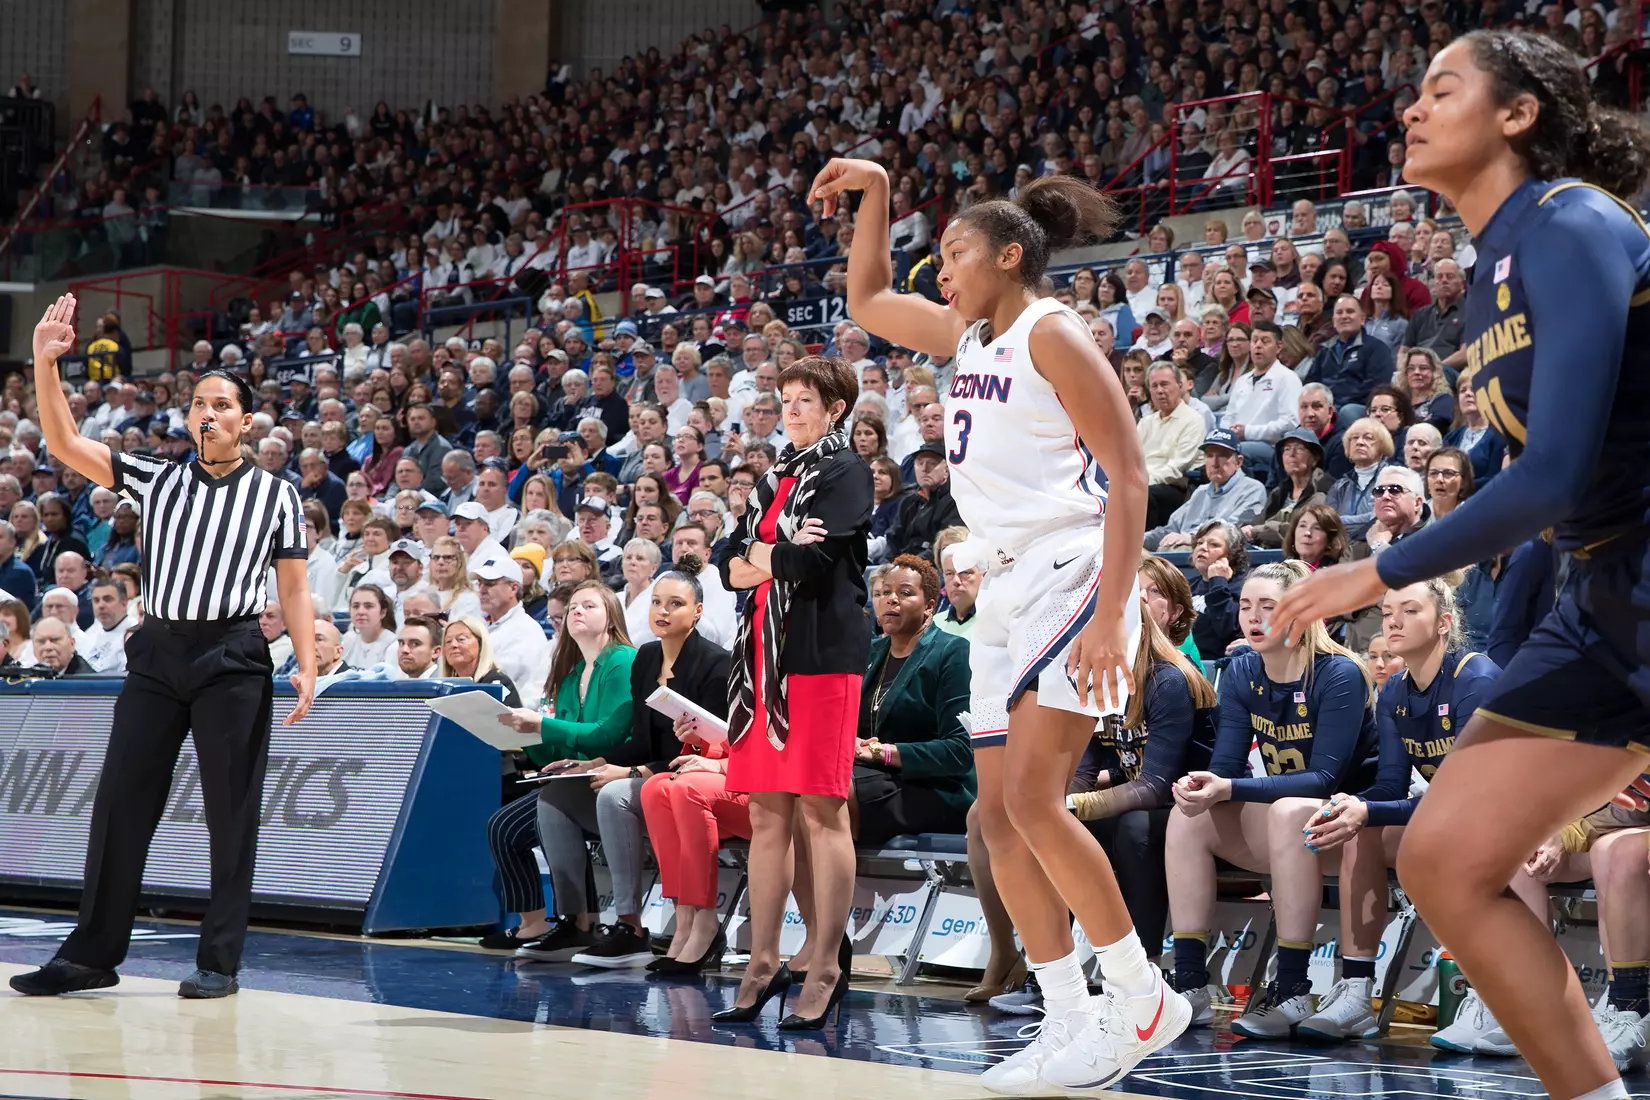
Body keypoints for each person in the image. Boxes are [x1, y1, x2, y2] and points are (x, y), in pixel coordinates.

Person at [1266, 31, 1650, 1100]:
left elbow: (1553, 477)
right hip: (1604, 592)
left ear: (1519, 114)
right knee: (1444, 857)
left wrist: (1369, 574)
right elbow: (1533, 487)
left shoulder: (1571, 220)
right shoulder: (1492, 269)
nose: (1414, 107)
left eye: (1445, 87)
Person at [812, 158, 1187, 1089]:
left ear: (1010, 255)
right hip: (1002, 587)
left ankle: (1141, 996)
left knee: (1032, 802)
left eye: (954, 251)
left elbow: (1131, 477)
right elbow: (864, 299)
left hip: (1072, 570)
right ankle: (1068, 1014)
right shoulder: (967, 333)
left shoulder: (1052, 333)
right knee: (996, 816)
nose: (939, 269)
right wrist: (875, 191)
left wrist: (1113, 616)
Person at [11, 295, 317, 1001]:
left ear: (245, 420)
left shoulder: (277, 495)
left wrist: (306, 663)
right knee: (120, 799)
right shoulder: (155, 476)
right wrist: (45, 363)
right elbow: (63, 445)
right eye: (198, 403)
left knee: (231, 808)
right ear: (190, 419)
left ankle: (220, 960)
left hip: (234, 654)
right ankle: (91, 953)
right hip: (158, 654)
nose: (208, 412)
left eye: (222, 403)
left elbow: (294, 589)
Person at [706, 353, 869, 1030]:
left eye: (805, 401)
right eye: (787, 399)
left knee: (821, 813)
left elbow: (811, 561)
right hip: (762, 664)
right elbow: (722, 560)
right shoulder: (776, 476)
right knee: (768, 817)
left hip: (821, 657)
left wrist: (761, 556)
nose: (791, 409)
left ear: (834, 410)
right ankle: (763, 958)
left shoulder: (846, 472)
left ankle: (826, 961)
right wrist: (766, 555)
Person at [1279, 580, 1501, 1042]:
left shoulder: (1474, 678)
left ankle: (1494, 1000)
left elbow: (1468, 797)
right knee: (1358, 830)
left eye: (1409, 610)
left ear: (1444, 624)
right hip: (1451, 819)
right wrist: (1355, 806)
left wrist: (1369, 810)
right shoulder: (1396, 690)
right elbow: (1389, 785)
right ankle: (1357, 993)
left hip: (1511, 820)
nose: (1393, 620)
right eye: (1386, 611)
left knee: (1384, 824)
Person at [1166, 561, 1378, 1032]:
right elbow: (1225, 766)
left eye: (1268, 606)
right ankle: (1190, 984)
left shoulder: (1340, 673)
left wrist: (1232, 787)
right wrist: (1202, 786)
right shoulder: (1242, 672)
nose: (1253, 618)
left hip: (1354, 832)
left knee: (1287, 812)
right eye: (1245, 606)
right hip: (1292, 831)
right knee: (1187, 818)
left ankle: (1293, 989)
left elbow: (1323, 778)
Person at [485, 582, 637, 961]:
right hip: (577, 781)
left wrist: (541, 726)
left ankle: (579, 923)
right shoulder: (569, 676)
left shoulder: (623, 660)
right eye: (572, 608)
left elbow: (608, 736)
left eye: (589, 605)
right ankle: (550, 923)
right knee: (503, 825)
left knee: (550, 803)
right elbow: (557, 752)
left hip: (619, 777)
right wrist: (516, 735)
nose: (577, 612)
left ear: (612, 617)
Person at [631, 558, 737, 972]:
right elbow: (640, 738)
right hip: (684, 765)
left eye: (675, 603)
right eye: (657, 602)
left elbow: (729, 736)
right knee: (656, 788)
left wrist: (698, 746)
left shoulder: (718, 663)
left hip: (728, 774)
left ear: (697, 611)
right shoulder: (644, 659)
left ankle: (705, 918)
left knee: (678, 786)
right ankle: (685, 915)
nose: (662, 611)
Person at [1145, 428, 1267, 550]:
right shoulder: (1201, 492)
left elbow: (1231, 533)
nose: (1214, 463)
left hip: (1219, 554)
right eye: (1209, 455)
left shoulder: (1252, 490)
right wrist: (1137, 540)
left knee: (1172, 549)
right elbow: (1170, 529)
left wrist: (1193, 539)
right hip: (1187, 551)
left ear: (1239, 462)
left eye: (1223, 456)